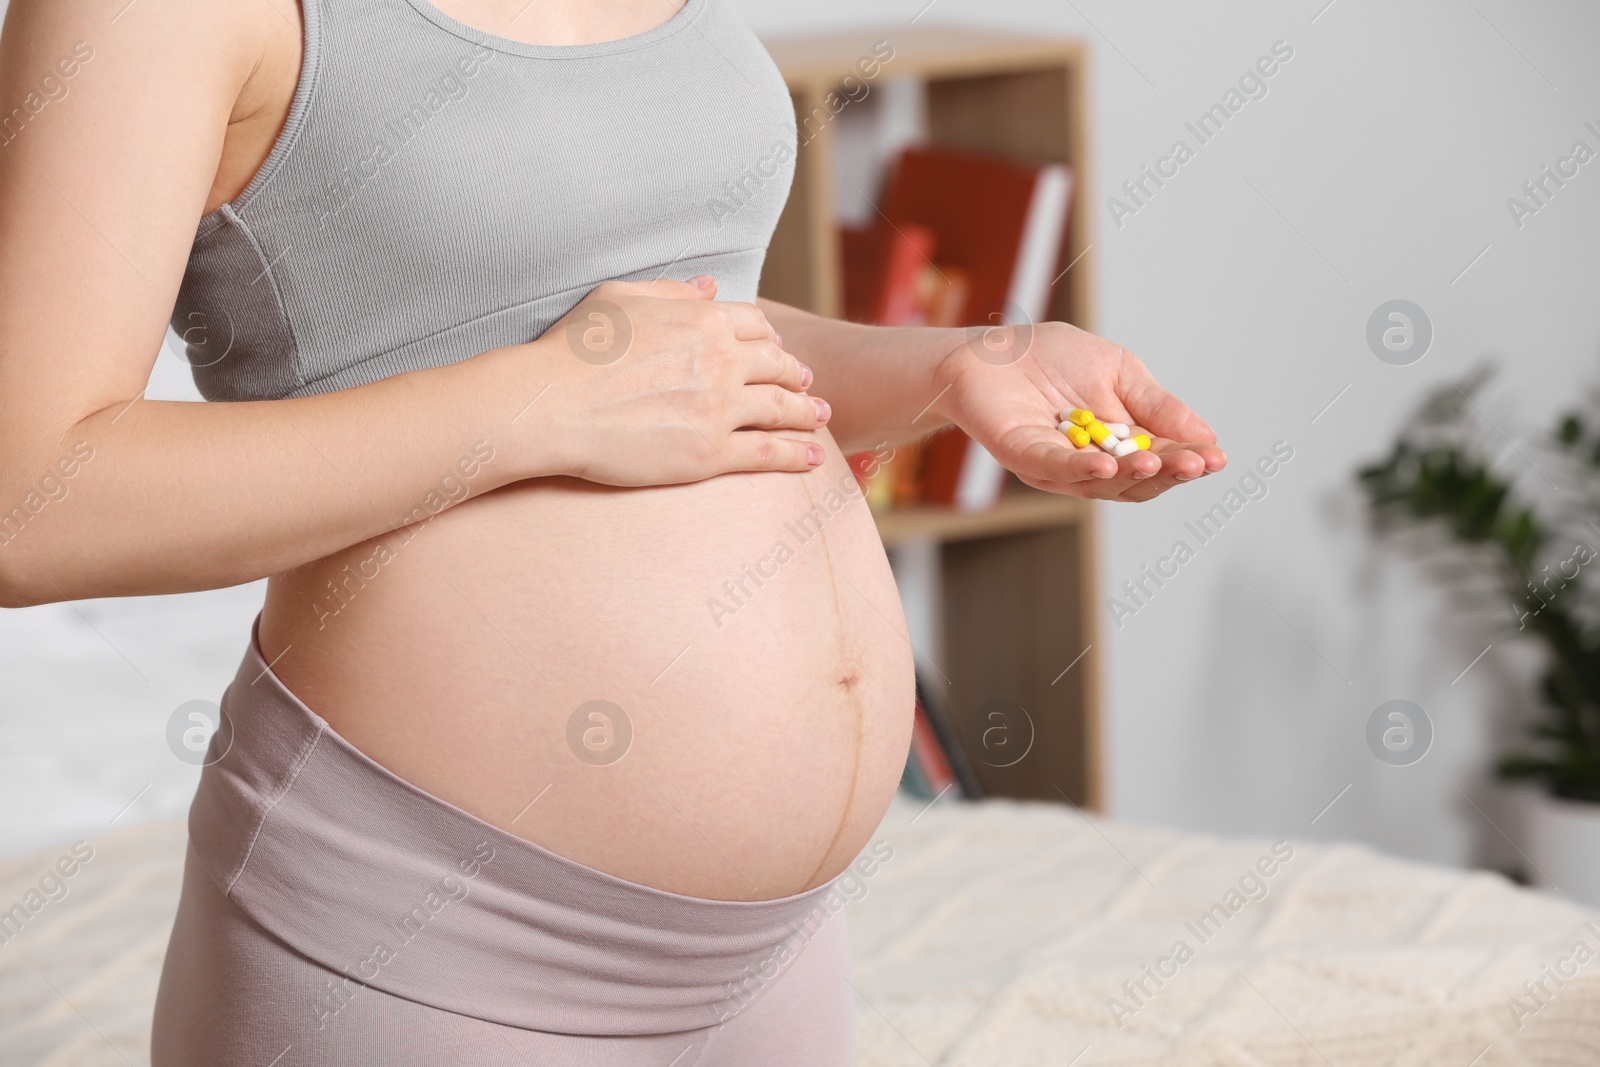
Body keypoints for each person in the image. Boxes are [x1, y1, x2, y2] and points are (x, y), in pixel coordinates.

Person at [0, 0, 1226, 1061]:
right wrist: (530, 405)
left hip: (773, 950)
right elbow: (28, 502)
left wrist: (958, 361)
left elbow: (673, 343)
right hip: (427, 933)